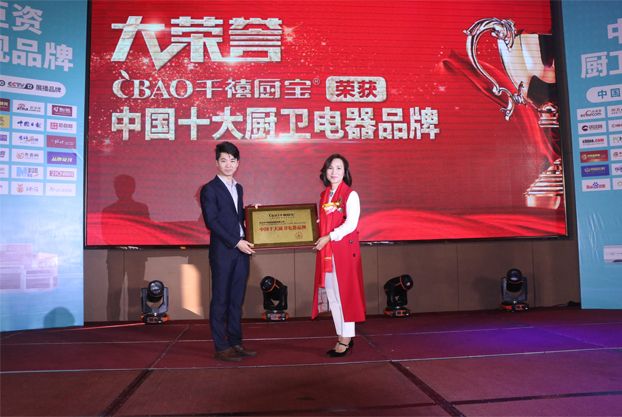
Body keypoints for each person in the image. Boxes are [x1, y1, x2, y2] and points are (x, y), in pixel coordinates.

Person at [200, 141, 256, 362]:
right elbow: (212, 222)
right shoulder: (209, 189)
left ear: (238, 163)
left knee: (236, 300)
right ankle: (221, 346)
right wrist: (236, 242)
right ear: (217, 163)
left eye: (232, 160)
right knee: (221, 300)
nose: (228, 164)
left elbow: (236, 218)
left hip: (241, 251)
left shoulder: (238, 187)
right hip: (223, 252)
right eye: (224, 160)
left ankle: (235, 342)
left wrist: (253, 216)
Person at [312, 154, 366, 357]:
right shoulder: (324, 196)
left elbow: (351, 224)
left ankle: (346, 338)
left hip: (344, 252)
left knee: (345, 296)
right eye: (330, 168)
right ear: (325, 172)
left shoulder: (351, 195)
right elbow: (322, 222)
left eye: (338, 168)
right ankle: (342, 334)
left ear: (345, 172)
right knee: (333, 296)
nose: (334, 172)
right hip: (327, 253)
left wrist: (329, 236)